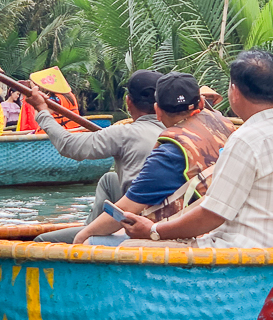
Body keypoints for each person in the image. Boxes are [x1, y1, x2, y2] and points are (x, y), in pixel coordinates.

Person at [115, 50, 273, 249]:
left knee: (128, 248)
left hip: (238, 254)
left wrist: (153, 231)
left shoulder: (246, 139)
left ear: (234, 92)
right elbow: (215, 205)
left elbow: (212, 215)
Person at [64, 72, 238, 245]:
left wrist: (83, 235)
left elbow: (125, 209)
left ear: (158, 111)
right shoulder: (223, 124)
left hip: (191, 235)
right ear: (201, 103)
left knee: (90, 242)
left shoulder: (170, 152)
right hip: (222, 223)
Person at [29, 70, 166, 242]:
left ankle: (89, 237)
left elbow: (69, 146)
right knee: (109, 179)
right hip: (163, 210)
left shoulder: (124, 133)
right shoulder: (177, 130)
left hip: (145, 221)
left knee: (41, 241)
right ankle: (92, 228)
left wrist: (42, 111)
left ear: (128, 102)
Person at [17, 67, 81, 133]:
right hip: (73, 132)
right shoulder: (70, 95)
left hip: (57, 135)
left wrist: (36, 99)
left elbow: (38, 116)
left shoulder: (54, 98)